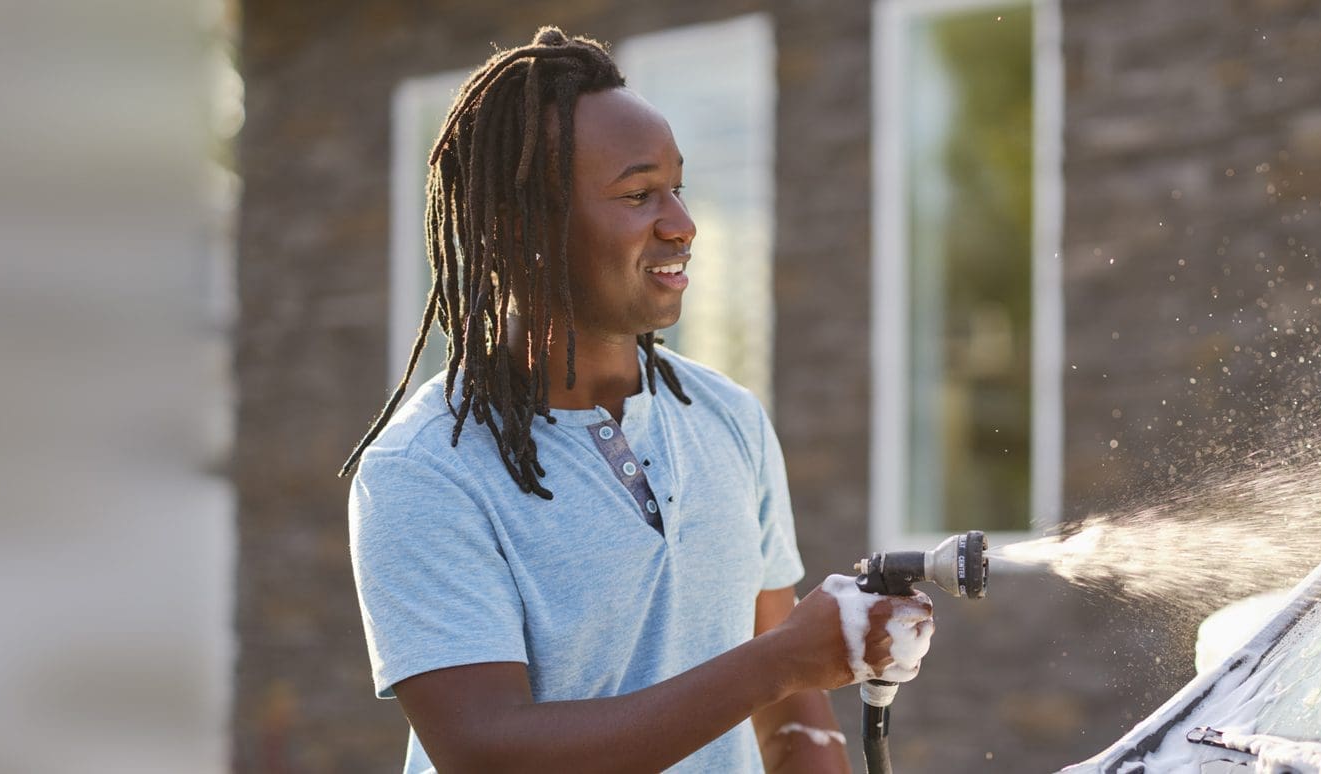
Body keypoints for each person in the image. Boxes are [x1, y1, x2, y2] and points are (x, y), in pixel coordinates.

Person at [340, 26, 936, 774]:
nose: (682, 224)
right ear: (520, 228)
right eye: (637, 194)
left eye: (678, 188)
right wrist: (781, 660)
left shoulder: (730, 420)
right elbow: (486, 748)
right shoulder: (424, 470)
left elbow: (790, 709)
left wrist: (795, 674)